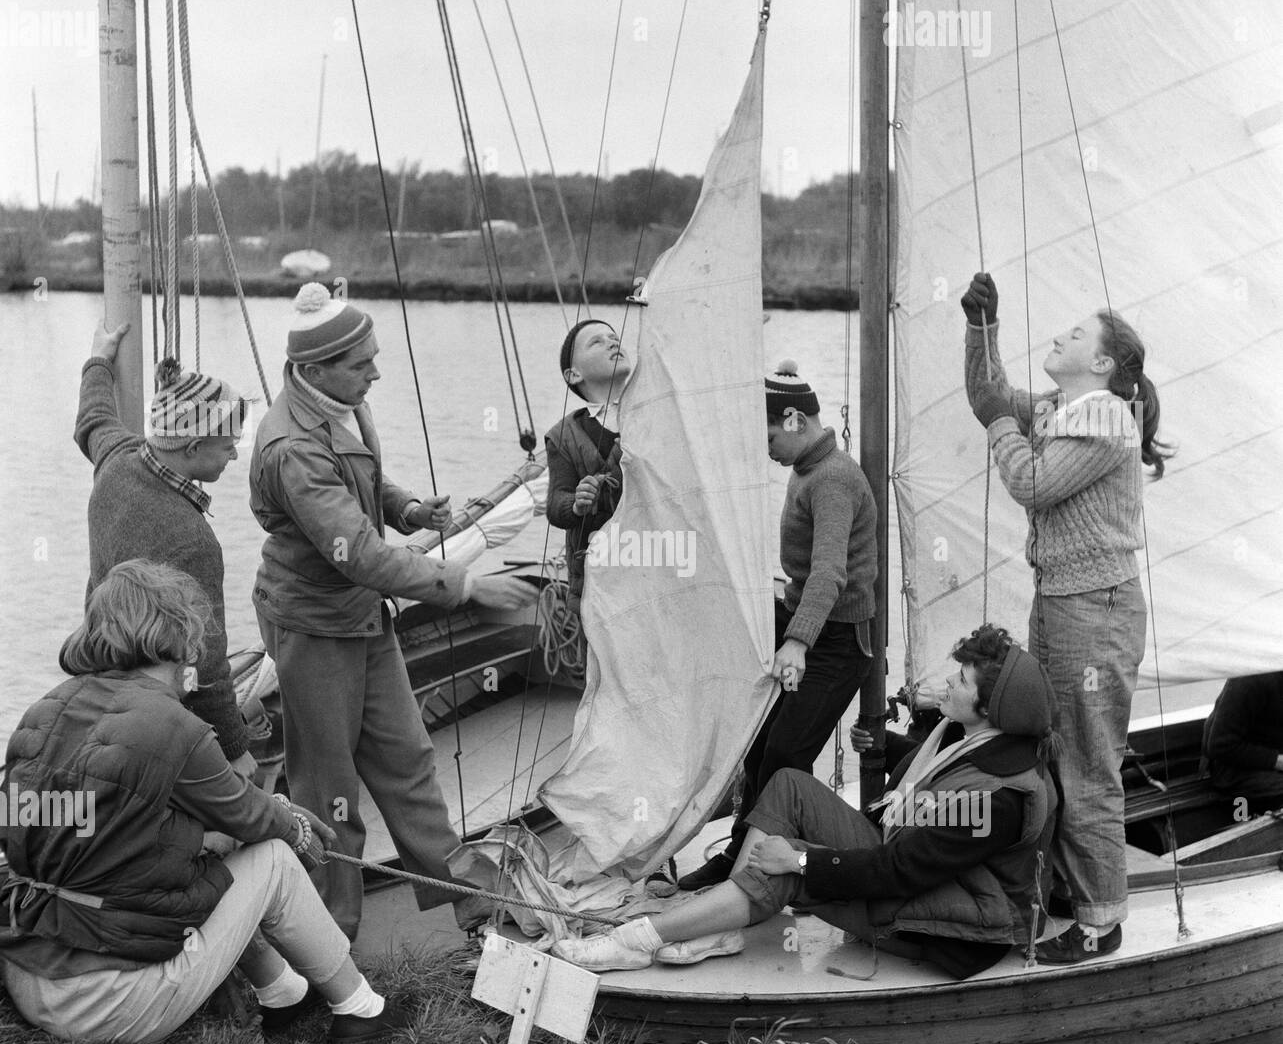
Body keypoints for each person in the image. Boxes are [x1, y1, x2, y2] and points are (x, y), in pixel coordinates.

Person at [0, 561, 406, 1044]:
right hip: (104, 1006)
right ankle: (361, 1009)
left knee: (210, 847)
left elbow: (78, 830)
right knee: (273, 858)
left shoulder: (45, 708)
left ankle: (284, 995)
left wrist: (229, 830)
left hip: (28, 977)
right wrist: (292, 822)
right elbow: (250, 817)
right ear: (181, 634)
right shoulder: (173, 724)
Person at [249, 283, 528, 941]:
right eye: (360, 363)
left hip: (362, 618)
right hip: (313, 626)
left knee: (407, 761)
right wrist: (463, 586)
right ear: (313, 369)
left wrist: (403, 508)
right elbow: (359, 556)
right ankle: (330, 939)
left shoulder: (342, 402)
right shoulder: (290, 445)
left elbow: (359, 488)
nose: (375, 372)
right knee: (328, 794)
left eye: (372, 358)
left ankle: (470, 904)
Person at [555, 626, 1060, 979]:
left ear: (990, 709)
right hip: (931, 874)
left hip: (962, 927)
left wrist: (799, 860)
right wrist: (892, 750)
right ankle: (722, 924)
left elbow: (897, 870)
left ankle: (635, 942)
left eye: (962, 681)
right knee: (789, 782)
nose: (949, 682)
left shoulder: (998, 800)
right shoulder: (977, 744)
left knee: (784, 865)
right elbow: (939, 787)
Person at [960, 271, 1172, 964]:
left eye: (1076, 334)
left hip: (1093, 612)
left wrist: (999, 426)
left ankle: (1100, 922)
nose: (1060, 336)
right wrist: (980, 328)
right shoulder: (1059, 405)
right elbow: (989, 397)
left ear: (1104, 364)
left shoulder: (1104, 414)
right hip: (1062, 604)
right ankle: (1065, 896)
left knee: (1085, 764)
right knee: (1054, 753)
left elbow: (1031, 482)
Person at [677, 360, 878, 891]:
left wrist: (795, 641)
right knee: (762, 747)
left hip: (836, 641)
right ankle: (746, 856)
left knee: (788, 756)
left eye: (768, 435)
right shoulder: (807, 467)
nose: (765, 448)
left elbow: (830, 573)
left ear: (793, 419)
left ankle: (780, 869)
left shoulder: (832, 478)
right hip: (805, 622)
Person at [74, 321, 257, 778]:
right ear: (193, 446)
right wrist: (235, 749)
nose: (234, 456)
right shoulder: (191, 540)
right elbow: (208, 665)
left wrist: (99, 358)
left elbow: (93, 419)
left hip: (95, 682)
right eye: (228, 446)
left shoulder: (118, 459)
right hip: (154, 704)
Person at [544, 318, 629, 616]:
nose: (611, 342)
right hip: (596, 578)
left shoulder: (656, 415)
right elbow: (555, 505)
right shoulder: (562, 436)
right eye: (597, 342)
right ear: (574, 374)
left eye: (614, 337)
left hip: (659, 562)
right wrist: (577, 504)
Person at [1201, 672, 1283, 812]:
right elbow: (1220, 745)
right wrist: (1277, 761)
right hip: (1230, 767)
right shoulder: (1251, 678)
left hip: (1270, 752)